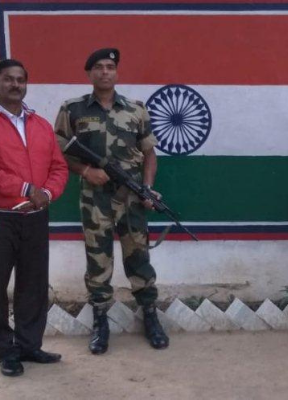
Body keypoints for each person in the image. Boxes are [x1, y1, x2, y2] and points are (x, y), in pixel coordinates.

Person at [53, 48, 169, 355]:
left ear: (116, 72)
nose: (105, 72)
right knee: (98, 261)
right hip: (95, 199)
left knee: (139, 258)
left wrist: (147, 189)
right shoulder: (73, 109)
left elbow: (149, 154)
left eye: (110, 67)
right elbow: (58, 150)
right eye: (99, 67)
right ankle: (100, 321)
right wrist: (85, 171)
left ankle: (150, 315)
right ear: (89, 73)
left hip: (131, 199)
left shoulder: (136, 109)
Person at [0, 59, 69, 377]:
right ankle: (4, 352)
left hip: (36, 215)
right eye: (8, 79)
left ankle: (30, 345)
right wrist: (25, 188)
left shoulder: (40, 124)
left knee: (34, 283)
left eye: (21, 79)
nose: (15, 85)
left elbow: (58, 166)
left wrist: (47, 193)